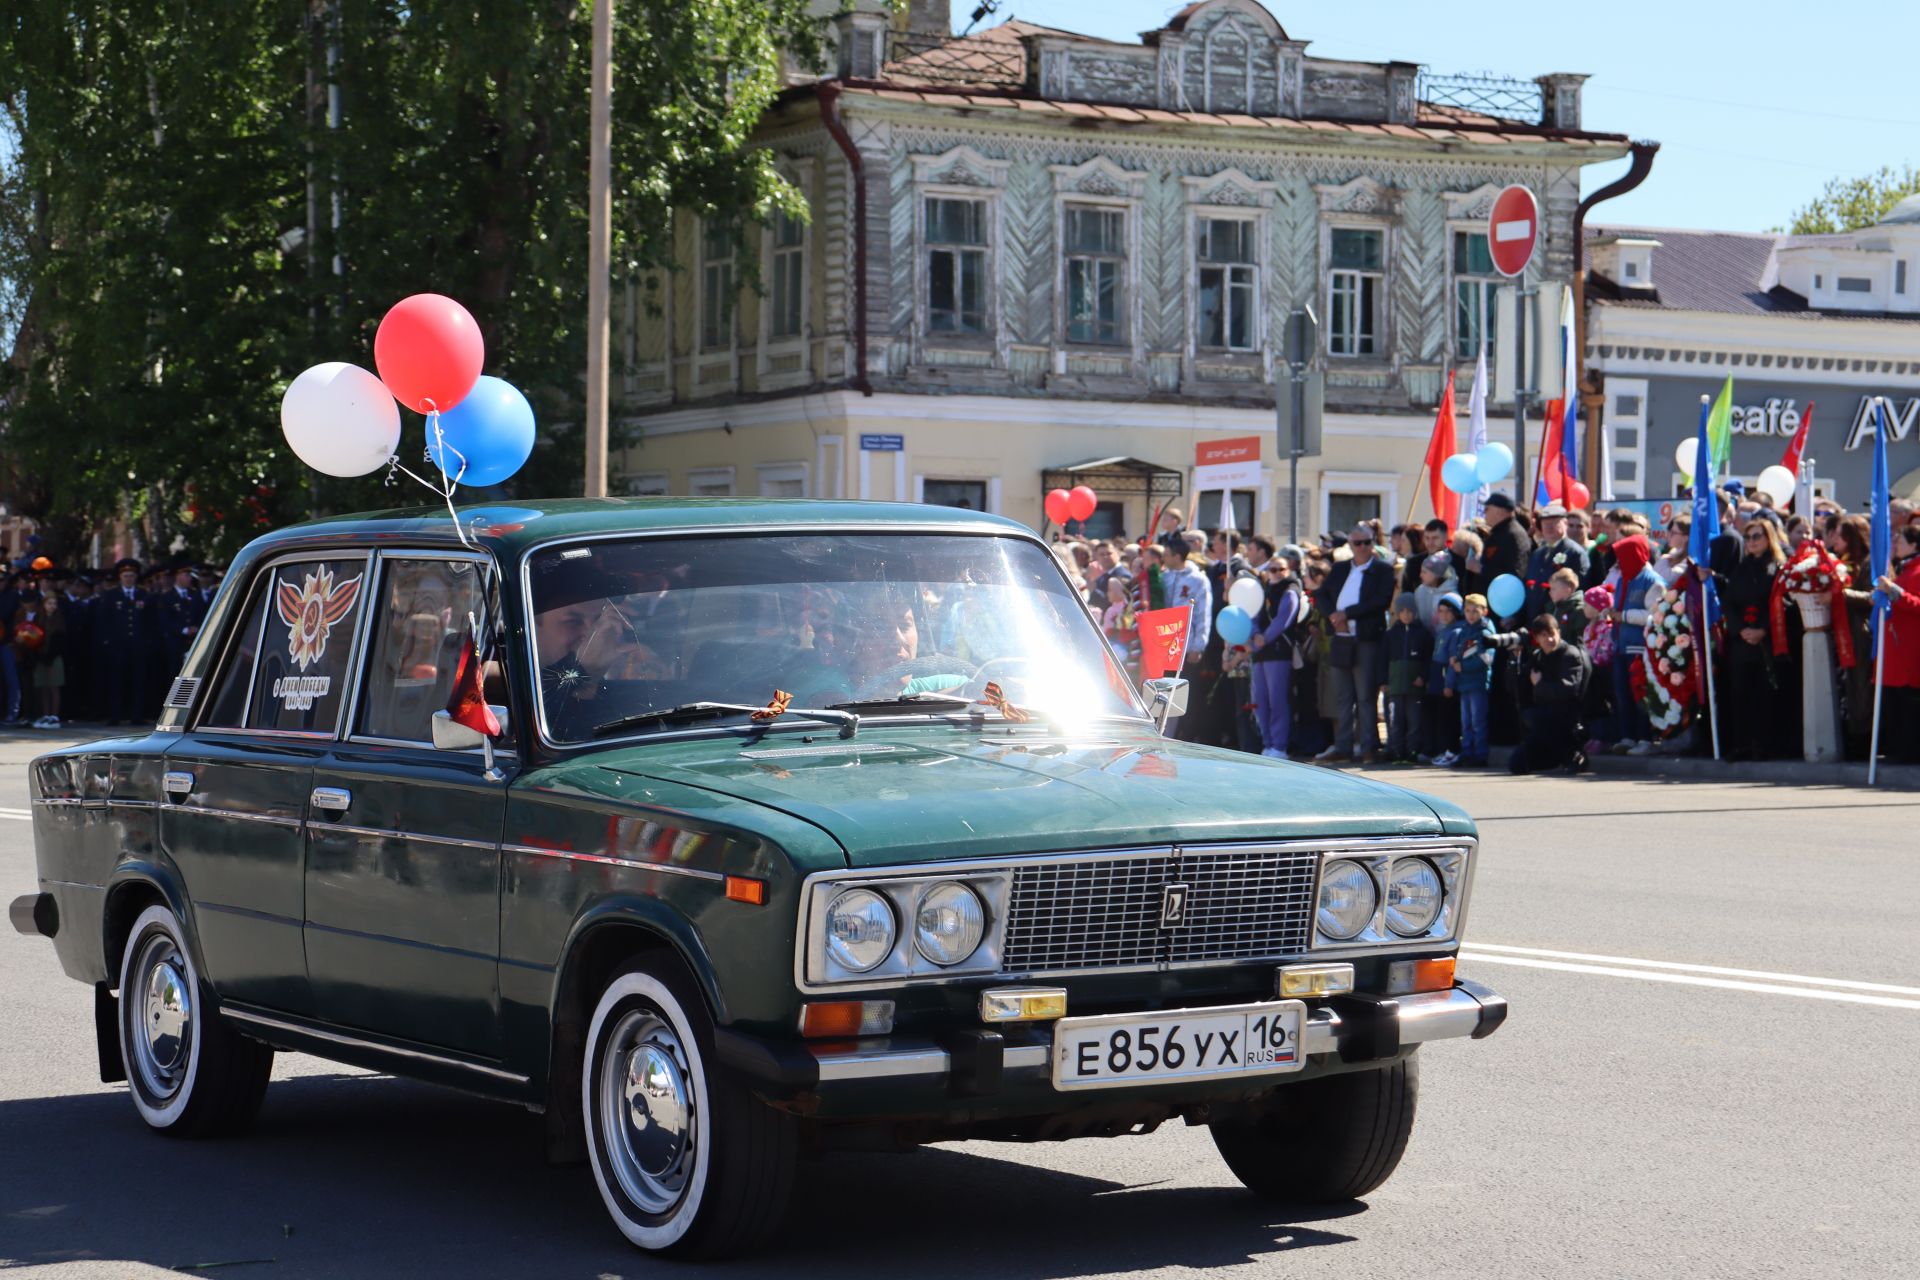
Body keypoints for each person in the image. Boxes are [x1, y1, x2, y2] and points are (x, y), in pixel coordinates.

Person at [1312, 523, 1395, 763]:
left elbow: (1380, 601)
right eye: (1357, 543)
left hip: (1366, 639)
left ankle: (1369, 746)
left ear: (1373, 543)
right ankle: (1343, 745)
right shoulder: (1339, 569)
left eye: (1367, 543)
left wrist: (1347, 614)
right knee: (1343, 696)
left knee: (1366, 696)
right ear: (1350, 545)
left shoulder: (1382, 570)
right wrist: (1332, 616)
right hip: (1341, 639)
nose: (1362, 548)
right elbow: (1322, 596)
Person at [1508, 614, 1592, 774]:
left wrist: (1540, 685)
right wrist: (1515, 660)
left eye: (1552, 634)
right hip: (1544, 719)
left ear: (1559, 632)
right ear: (1537, 638)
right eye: (1544, 636)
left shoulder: (1570, 654)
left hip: (1565, 717)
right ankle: (1557, 757)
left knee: (1538, 719)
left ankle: (1573, 754)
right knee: (1517, 764)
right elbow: (1517, 687)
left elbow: (1568, 690)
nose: (1550, 640)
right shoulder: (1538, 656)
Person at [1605, 533, 1660, 751]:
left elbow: (1655, 616)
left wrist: (1624, 616)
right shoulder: (1623, 578)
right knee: (1623, 693)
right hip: (1621, 643)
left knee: (1640, 695)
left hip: (1640, 646)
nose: (1618, 562)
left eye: (1623, 556)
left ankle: (1645, 739)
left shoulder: (1652, 581)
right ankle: (1628, 736)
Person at [1873, 525, 1920, 763]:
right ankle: (1897, 749)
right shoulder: (1903, 569)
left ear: (1913, 545)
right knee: (1896, 704)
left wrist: (1896, 593)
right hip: (1897, 647)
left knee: (1908, 705)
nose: (1895, 543)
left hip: (1910, 648)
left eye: (1899, 540)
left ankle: (1908, 751)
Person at [1249, 554, 1301, 759]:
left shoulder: (1291, 591)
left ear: (1288, 571)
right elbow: (1253, 615)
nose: (1277, 573)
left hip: (1278, 651)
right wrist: (1254, 635)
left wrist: (1265, 637)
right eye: (1273, 569)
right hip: (1260, 652)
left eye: (1282, 569)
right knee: (1259, 700)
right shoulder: (1262, 591)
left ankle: (1279, 745)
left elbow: (1283, 619)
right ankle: (1267, 742)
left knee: (1277, 699)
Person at [96, 558, 153, 724]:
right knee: (116, 681)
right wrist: (107, 641)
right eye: (125, 576)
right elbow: (104, 620)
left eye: (131, 576)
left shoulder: (144, 595)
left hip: (138, 645)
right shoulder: (111, 595)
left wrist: (147, 641)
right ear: (120, 578)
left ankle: (137, 715)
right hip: (118, 646)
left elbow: (150, 621)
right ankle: (115, 715)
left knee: (138, 681)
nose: (128, 579)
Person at [1447, 593, 1497, 768]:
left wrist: (1464, 666)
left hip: (1478, 682)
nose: (1471, 615)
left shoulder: (1485, 632)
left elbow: (1486, 659)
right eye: (1467, 611)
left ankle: (1480, 754)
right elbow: (1463, 652)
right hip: (1465, 683)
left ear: (1484, 611)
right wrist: (1456, 660)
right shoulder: (1464, 631)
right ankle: (1467, 752)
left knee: (1478, 721)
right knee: (1466, 721)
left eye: (1475, 611)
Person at [1382, 593, 1431, 764]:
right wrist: (1383, 682)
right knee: (1396, 721)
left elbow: (1427, 659)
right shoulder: (1390, 635)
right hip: (1395, 687)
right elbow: (1382, 660)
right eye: (1401, 611)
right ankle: (1397, 752)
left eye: (1409, 611)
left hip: (1414, 687)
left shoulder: (1423, 633)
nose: (1406, 614)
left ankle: (1412, 751)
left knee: (1414, 721)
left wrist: (1422, 676)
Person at [1428, 593, 1464, 764]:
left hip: (1447, 683)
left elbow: (1452, 661)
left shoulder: (1456, 632)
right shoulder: (1443, 631)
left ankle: (1453, 750)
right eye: (1439, 611)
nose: (1441, 615)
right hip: (1438, 680)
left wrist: (1449, 684)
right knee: (1442, 718)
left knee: (1450, 718)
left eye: (1445, 611)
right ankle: (1446, 750)